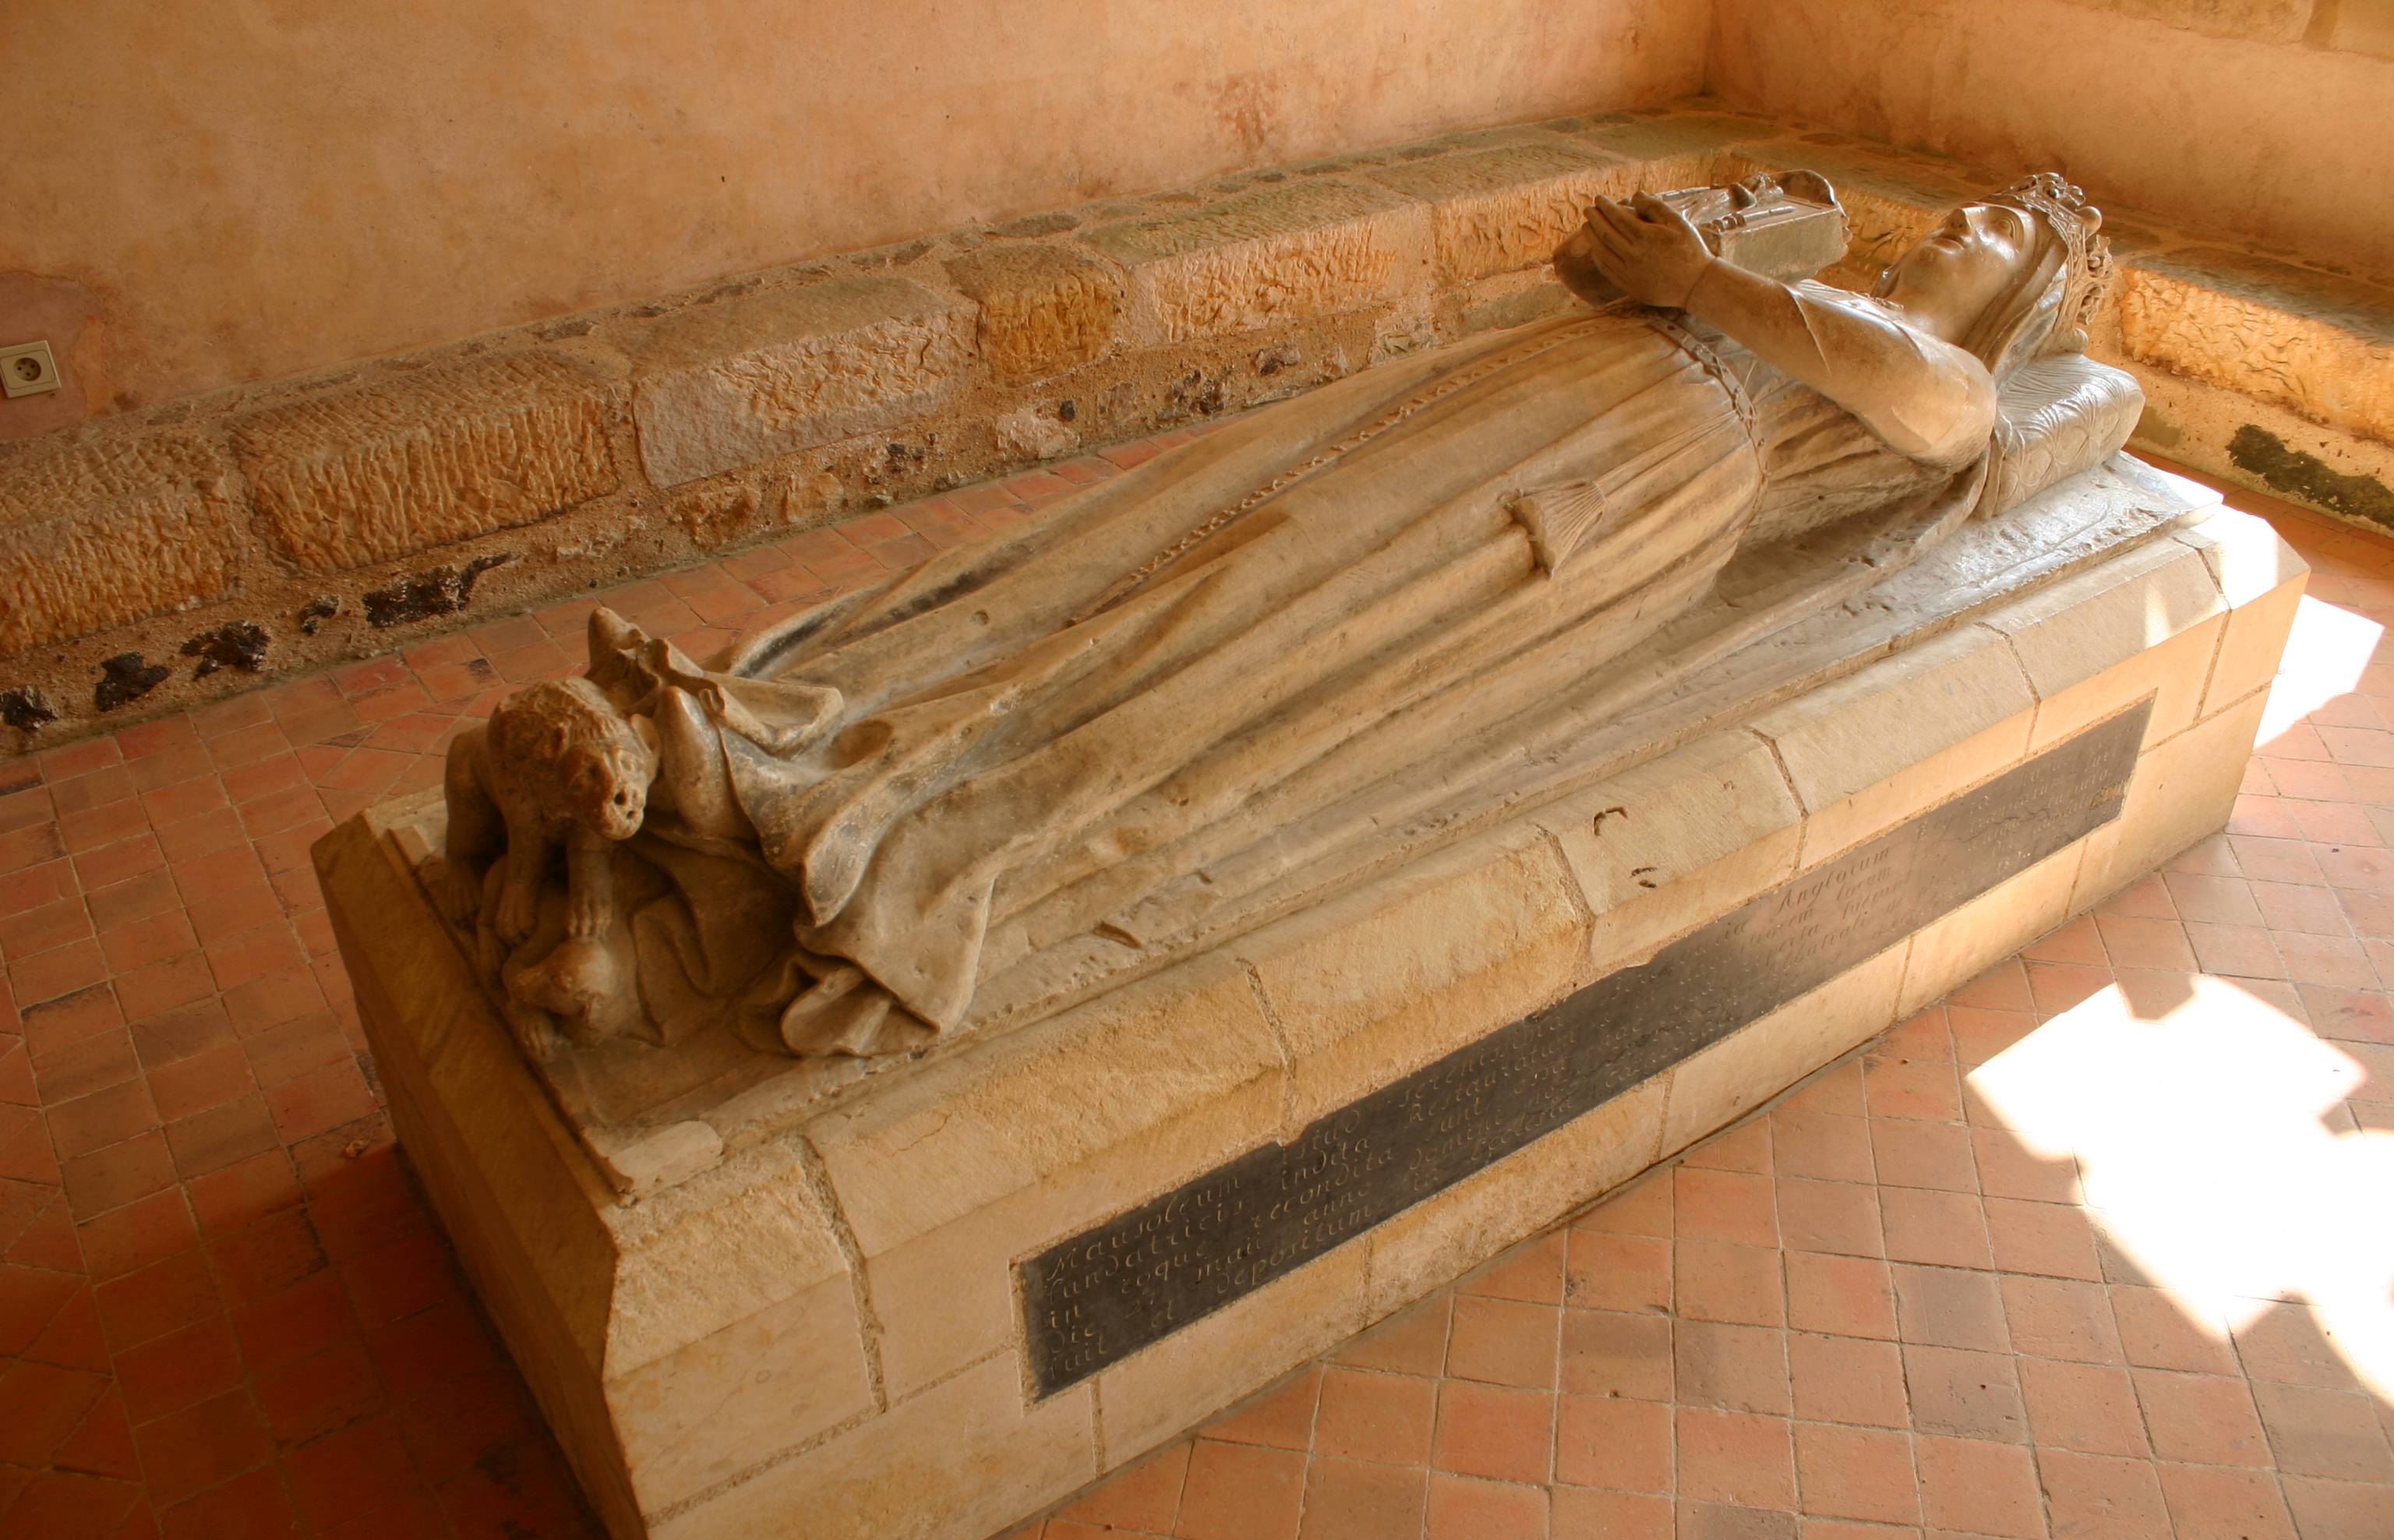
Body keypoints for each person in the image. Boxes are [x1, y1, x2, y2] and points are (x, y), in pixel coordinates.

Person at [492, 174, 2116, 1065]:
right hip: (1540, 393)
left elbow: (1930, 407)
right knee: (1152, 543)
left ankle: (842, 844)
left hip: (1631, 479)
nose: (1963, 223)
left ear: (2020, 302)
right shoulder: (1800, 286)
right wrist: (1649, 258)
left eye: (2005, 233)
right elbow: (1650, 286)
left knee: (1246, 635)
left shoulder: (1941, 375)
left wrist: (1704, 283)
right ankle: (772, 734)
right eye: (1972, 207)